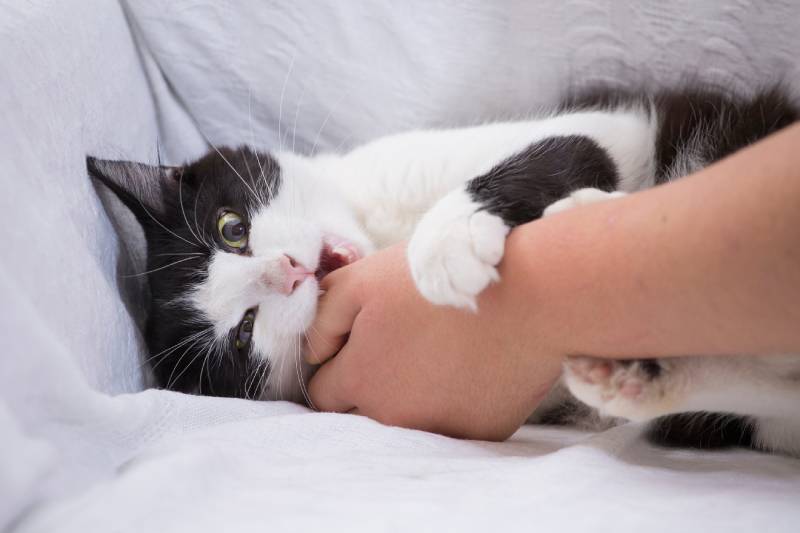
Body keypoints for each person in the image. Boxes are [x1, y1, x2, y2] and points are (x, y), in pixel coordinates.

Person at [304, 122, 800, 441]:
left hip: (712, 183)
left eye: (235, 230)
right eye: (244, 330)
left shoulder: (374, 176)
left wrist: (539, 295)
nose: (278, 274)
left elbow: (602, 148)